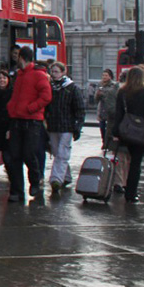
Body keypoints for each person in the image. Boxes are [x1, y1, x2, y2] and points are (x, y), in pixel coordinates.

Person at [5, 46, 52, 202]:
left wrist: (30, 108)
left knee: (28, 153)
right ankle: (17, 190)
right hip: (17, 119)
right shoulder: (20, 75)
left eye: (17, 57)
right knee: (14, 156)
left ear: (21, 58)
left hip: (32, 121)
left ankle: (35, 179)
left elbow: (46, 97)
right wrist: (12, 108)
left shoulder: (39, 75)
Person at [110, 65, 144, 203]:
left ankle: (122, 185)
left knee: (124, 160)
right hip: (140, 131)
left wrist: (115, 131)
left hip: (126, 129)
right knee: (135, 163)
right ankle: (131, 193)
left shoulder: (122, 92)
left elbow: (119, 113)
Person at [43, 62, 83, 194]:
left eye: (56, 72)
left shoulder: (71, 88)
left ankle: (56, 179)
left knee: (62, 153)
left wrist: (77, 126)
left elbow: (79, 109)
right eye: (52, 72)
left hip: (67, 126)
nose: (54, 74)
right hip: (53, 125)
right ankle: (66, 176)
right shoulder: (50, 88)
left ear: (63, 72)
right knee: (56, 152)